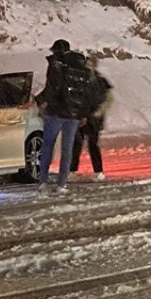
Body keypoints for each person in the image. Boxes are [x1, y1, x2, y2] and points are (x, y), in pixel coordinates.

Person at [34, 39, 89, 195]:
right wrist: (83, 113)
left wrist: (38, 101)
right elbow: (85, 93)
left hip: (56, 112)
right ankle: (61, 184)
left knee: (47, 146)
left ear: (56, 50)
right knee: (67, 149)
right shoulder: (80, 65)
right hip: (74, 114)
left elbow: (53, 87)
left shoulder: (56, 64)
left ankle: (43, 182)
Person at [70, 55, 114, 180]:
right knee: (76, 144)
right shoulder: (78, 81)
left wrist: (99, 112)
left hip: (94, 119)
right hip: (80, 117)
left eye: (90, 64)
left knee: (93, 144)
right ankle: (72, 170)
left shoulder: (101, 82)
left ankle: (98, 171)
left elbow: (108, 99)